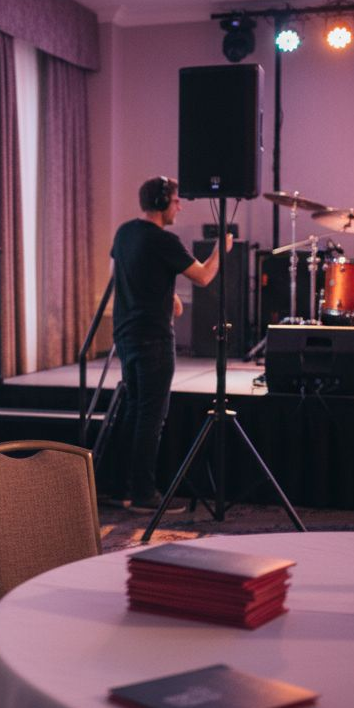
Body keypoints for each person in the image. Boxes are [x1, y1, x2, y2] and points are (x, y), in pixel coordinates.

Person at [110, 176, 231, 513]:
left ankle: (121, 488)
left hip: (126, 334)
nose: (180, 206)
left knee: (134, 411)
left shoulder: (125, 233)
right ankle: (144, 495)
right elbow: (205, 277)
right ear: (163, 202)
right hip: (153, 339)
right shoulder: (164, 241)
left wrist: (169, 294)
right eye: (177, 200)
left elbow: (131, 273)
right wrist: (221, 250)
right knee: (152, 417)